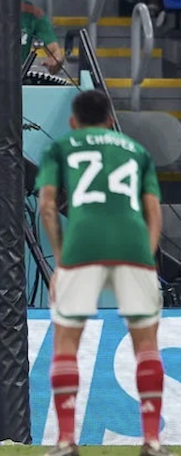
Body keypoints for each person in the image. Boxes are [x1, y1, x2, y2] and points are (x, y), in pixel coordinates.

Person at [37, 90, 172, 456]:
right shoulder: (137, 151)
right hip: (133, 249)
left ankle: (66, 441)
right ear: (111, 121)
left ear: (73, 122)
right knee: (147, 346)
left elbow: (47, 206)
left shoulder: (60, 147)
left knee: (67, 343)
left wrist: (62, 260)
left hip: (82, 249)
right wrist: (145, 256)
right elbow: (153, 211)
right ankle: (152, 441)